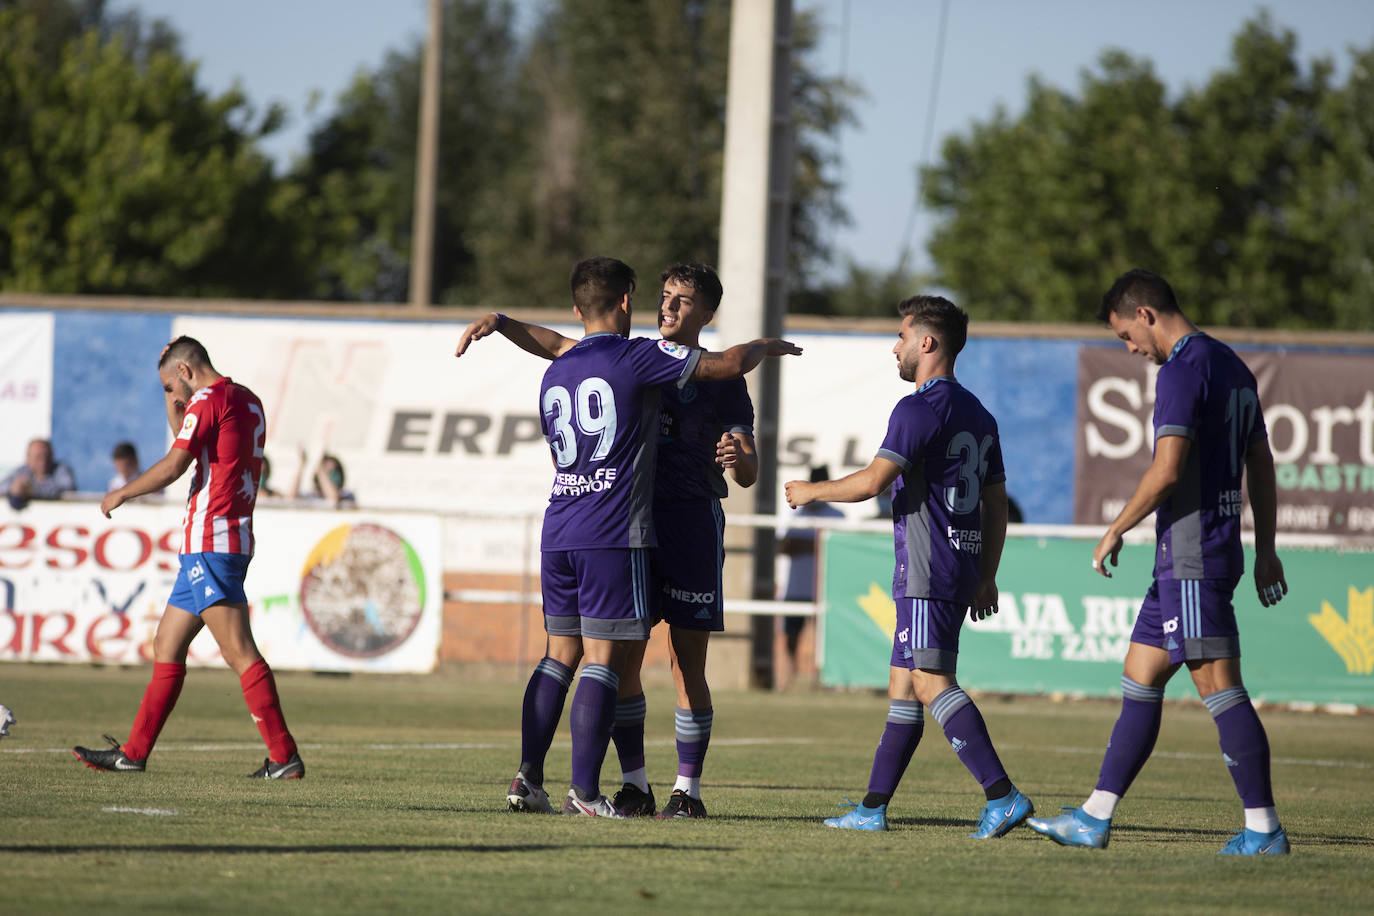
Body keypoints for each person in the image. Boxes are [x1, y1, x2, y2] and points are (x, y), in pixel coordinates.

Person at [459, 256, 799, 817]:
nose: (667, 305)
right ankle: (634, 785)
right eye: (663, 294)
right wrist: (505, 322)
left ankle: (686, 791)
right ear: (632, 301)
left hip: (684, 521)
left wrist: (740, 459)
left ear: (707, 313)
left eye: (681, 299)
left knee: (686, 660)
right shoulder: (636, 354)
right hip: (624, 527)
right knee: (619, 660)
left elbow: (748, 470)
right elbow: (559, 341)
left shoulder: (713, 378)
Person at [1026, 270, 1290, 855]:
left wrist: (1115, 528)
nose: (1130, 350)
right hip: (1191, 556)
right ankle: (1094, 817)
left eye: (1125, 335)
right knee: (1140, 677)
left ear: (1145, 314)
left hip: (1194, 555)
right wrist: (1265, 547)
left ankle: (1264, 829)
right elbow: (1262, 464)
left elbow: (1167, 470)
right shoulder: (1232, 366)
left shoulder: (1181, 371)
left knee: (1220, 687)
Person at [784, 295, 1033, 839]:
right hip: (955, 565)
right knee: (903, 686)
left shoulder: (919, 408)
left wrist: (810, 491)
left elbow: (873, 481)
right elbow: (995, 504)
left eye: (901, 336)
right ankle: (872, 808)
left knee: (928, 681)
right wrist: (986, 572)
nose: (895, 347)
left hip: (927, 566)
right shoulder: (979, 414)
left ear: (927, 343)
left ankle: (1002, 795)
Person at [72, 336, 303, 780]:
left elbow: (175, 466)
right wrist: (177, 406)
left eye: (167, 388)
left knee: (239, 650)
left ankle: (283, 754)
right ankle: (133, 753)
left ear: (184, 372)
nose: (170, 397)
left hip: (211, 542)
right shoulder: (246, 399)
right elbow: (192, 440)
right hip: (220, 541)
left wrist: (122, 492)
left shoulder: (209, 401)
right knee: (168, 645)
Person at [776, 465, 844, 684]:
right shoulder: (797, 513)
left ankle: (821, 681)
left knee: (826, 639)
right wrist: (818, 545)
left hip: (826, 587)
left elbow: (841, 550)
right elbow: (784, 546)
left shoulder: (837, 515)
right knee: (791, 638)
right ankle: (790, 679)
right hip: (796, 587)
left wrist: (808, 545)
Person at [4, 438, 76, 510]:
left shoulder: (61, 469)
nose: (43, 461)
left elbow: (68, 489)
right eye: (38, 457)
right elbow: (3, 486)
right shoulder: (22, 471)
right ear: (28, 458)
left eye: (46, 456)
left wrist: (33, 490)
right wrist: (14, 488)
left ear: (52, 456)